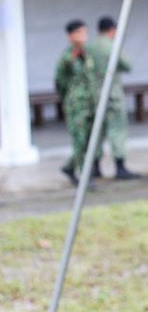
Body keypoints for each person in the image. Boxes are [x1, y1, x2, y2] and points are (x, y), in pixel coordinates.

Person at [87, 16, 140, 180]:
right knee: (117, 129)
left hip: (95, 95)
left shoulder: (90, 47)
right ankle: (120, 167)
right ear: (112, 30)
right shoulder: (112, 46)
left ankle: (95, 166)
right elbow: (127, 65)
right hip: (113, 95)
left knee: (97, 131)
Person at [55, 20, 96, 187]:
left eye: (85, 32)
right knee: (79, 141)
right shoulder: (67, 58)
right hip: (76, 106)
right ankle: (84, 177)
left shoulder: (87, 54)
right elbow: (60, 82)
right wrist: (70, 100)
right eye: (80, 33)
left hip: (89, 104)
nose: (84, 36)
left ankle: (69, 167)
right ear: (71, 36)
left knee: (88, 141)